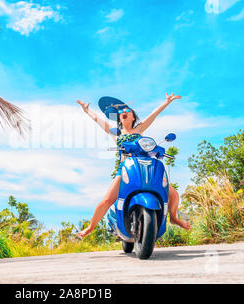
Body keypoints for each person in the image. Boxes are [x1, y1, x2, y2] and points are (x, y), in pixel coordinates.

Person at [76, 93, 191, 238]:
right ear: (118, 118)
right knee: (106, 200)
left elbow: (153, 115)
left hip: (144, 167)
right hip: (125, 169)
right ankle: (90, 228)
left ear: (133, 117)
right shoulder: (116, 132)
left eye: (127, 111)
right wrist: (87, 111)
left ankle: (173, 217)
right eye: (120, 112)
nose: (123, 112)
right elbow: (98, 120)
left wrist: (167, 102)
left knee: (173, 194)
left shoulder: (139, 129)